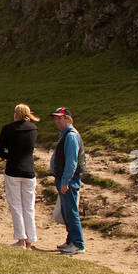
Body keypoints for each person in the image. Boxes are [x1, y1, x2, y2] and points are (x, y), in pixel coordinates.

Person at [0, 104, 40, 248]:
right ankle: (30, 239)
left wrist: (10, 156)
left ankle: (21, 238)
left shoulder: (8, 129)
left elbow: (0, 150)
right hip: (29, 170)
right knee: (29, 206)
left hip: (13, 169)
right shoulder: (33, 128)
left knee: (16, 205)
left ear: (15, 114)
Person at [50, 107, 85, 255]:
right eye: (56, 118)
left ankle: (77, 244)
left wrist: (65, 180)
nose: (57, 121)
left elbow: (72, 162)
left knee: (71, 211)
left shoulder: (70, 136)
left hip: (69, 180)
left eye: (60, 118)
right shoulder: (65, 135)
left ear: (68, 119)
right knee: (67, 211)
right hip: (65, 178)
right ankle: (71, 240)